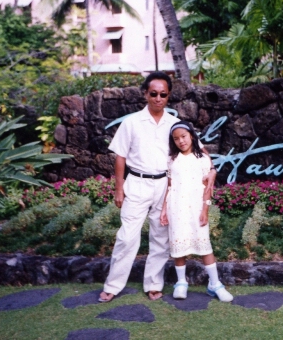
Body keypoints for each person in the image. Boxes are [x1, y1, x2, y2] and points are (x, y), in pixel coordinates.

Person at [99, 72, 216, 303]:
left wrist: (212, 169)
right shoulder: (131, 122)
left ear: (168, 96)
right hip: (137, 184)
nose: (158, 98)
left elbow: (199, 149)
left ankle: (153, 284)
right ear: (145, 94)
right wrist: (119, 189)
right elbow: (120, 157)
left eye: (163, 94)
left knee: (161, 239)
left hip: (165, 186)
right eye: (153, 94)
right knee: (126, 238)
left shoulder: (174, 124)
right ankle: (113, 286)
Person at [160, 120, 233, 302]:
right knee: (178, 246)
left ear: (192, 136)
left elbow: (207, 188)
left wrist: (205, 210)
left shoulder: (203, 159)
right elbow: (169, 186)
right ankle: (181, 283)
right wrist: (164, 210)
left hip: (196, 208)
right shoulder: (171, 160)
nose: (181, 141)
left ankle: (215, 284)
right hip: (176, 208)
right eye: (176, 138)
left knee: (204, 245)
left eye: (184, 136)